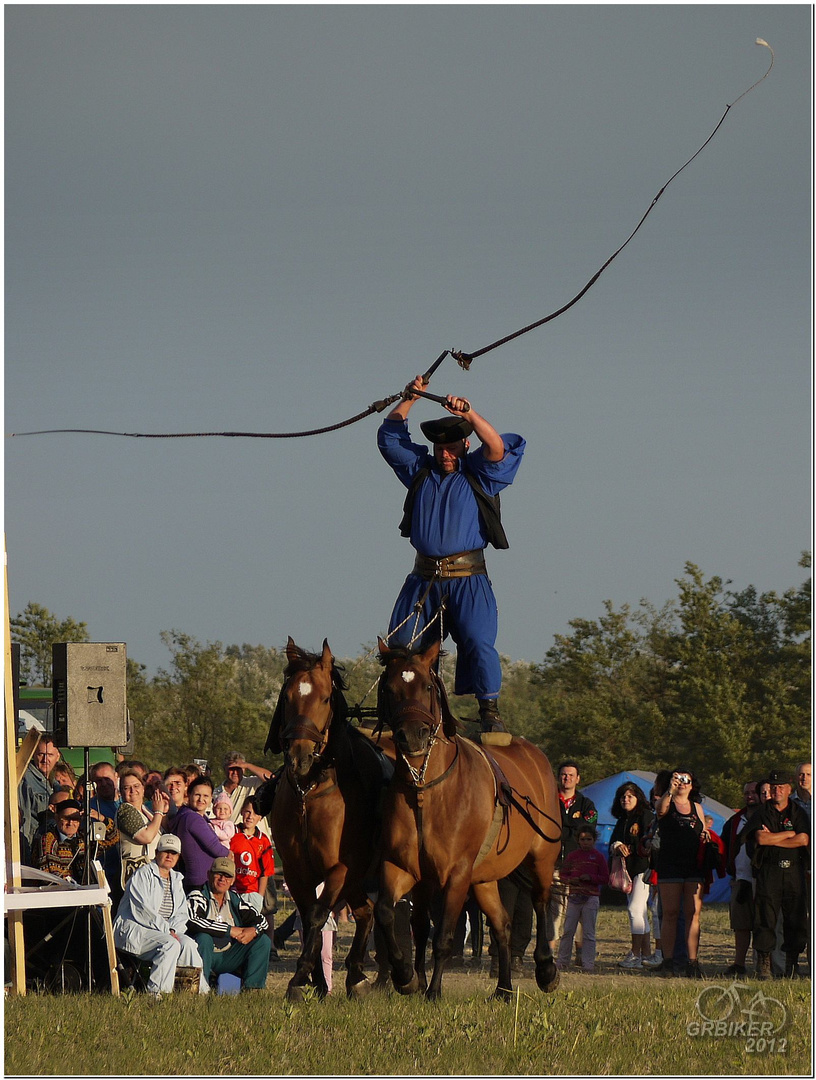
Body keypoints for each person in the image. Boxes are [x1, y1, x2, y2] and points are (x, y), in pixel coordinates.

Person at [377, 375, 525, 734]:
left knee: (477, 642)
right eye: (440, 448)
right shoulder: (419, 471)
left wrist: (470, 412)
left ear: (464, 444)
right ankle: (397, 709)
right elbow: (389, 437)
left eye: (452, 447)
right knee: (400, 645)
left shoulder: (479, 474)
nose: (445, 454)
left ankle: (489, 712)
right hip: (422, 581)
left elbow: (498, 449)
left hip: (468, 580)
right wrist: (411, 397)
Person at [113, 833, 208, 1000]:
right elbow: (142, 911)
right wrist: (167, 931)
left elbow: (181, 914)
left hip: (164, 932)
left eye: (173, 853)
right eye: (165, 851)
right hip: (134, 929)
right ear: (157, 852)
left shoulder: (177, 880)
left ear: (178, 857)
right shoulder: (142, 875)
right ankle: (157, 994)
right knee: (170, 944)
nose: (169, 856)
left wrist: (173, 930)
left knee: (188, 945)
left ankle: (195, 993)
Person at [742, 768, 810, 979]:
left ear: (789, 789)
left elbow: (804, 840)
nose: (777, 790)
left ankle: (792, 964)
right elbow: (761, 839)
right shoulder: (762, 812)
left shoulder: (797, 812)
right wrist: (789, 834)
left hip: (793, 871)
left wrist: (777, 836)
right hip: (769, 870)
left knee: (795, 918)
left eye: (781, 786)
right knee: (766, 918)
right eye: (773, 787)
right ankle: (764, 965)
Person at [650, 769, 707, 978]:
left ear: (692, 785)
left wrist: (706, 838)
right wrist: (670, 790)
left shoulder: (697, 808)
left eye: (686, 780)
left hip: (693, 866)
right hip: (670, 865)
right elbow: (660, 810)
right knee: (671, 913)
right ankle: (668, 961)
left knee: (693, 915)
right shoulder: (666, 803)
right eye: (678, 779)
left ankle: (692, 962)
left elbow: (703, 830)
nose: (682, 783)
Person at [187, 857, 271, 991]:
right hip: (205, 953)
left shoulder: (235, 899)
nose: (222, 879)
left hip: (229, 955)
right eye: (218, 874)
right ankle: (200, 988)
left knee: (263, 941)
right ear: (209, 875)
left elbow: (262, 921)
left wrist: (253, 930)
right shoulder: (197, 896)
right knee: (204, 938)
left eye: (227, 876)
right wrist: (229, 930)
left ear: (232, 880)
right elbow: (193, 920)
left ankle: (253, 990)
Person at [550, 761, 598, 959]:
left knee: (578, 909)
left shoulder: (586, 804)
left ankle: (579, 951)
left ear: (578, 779)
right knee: (554, 909)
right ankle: (550, 949)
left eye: (571, 775)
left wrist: (564, 824)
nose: (566, 778)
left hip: (579, 866)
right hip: (554, 863)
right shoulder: (550, 800)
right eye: (563, 774)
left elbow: (588, 827)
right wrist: (573, 826)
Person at [609, 781, 655, 969]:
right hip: (628, 871)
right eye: (622, 797)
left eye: (629, 796)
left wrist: (632, 848)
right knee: (639, 912)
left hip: (643, 870)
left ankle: (635, 955)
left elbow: (649, 842)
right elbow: (613, 843)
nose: (625, 800)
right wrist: (617, 846)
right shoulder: (622, 819)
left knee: (635, 910)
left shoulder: (645, 816)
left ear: (638, 798)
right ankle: (647, 954)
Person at [555, 826, 609, 973]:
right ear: (578, 840)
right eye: (582, 839)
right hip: (574, 897)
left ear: (594, 840)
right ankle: (562, 961)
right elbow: (563, 874)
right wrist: (571, 880)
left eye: (588, 839)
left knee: (589, 933)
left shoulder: (598, 857)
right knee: (568, 931)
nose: (585, 842)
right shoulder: (572, 856)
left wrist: (591, 878)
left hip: (591, 897)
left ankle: (588, 963)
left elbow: (605, 878)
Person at [721, 779, 761, 976]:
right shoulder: (735, 821)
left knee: (764, 923)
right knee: (741, 924)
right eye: (747, 793)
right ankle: (739, 963)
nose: (750, 796)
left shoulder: (767, 817)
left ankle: (763, 963)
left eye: (754, 792)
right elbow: (725, 845)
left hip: (764, 879)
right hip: (741, 878)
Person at [165, 775, 229, 892]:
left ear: (211, 799)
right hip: (199, 882)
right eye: (197, 795)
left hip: (199, 880)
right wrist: (229, 853)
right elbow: (214, 847)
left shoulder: (195, 816)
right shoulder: (192, 818)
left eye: (205, 796)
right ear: (189, 795)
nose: (201, 799)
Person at [35, 798, 118, 882]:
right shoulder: (48, 839)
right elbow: (50, 873)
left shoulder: (83, 837)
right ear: (56, 818)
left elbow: (112, 838)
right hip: (62, 891)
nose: (70, 822)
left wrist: (101, 818)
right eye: (66, 818)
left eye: (75, 818)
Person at [117, 768, 171, 887]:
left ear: (143, 788)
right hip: (138, 875)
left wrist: (164, 811)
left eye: (136, 786)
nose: (132, 790)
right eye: (126, 788)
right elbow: (146, 837)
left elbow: (162, 830)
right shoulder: (125, 811)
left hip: (154, 872)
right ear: (121, 792)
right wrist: (158, 812)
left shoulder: (146, 809)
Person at [19, 735, 61, 862]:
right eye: (41, 754)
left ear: (57, 756)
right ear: (33, 755)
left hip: (49, 849)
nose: (45, 759)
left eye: (50, 755)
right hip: (32, 849)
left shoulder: (54, 784)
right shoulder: (25, 780)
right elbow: (23, 820)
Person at [229, 797, 274, 914]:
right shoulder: (231, 833)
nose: (250, 816)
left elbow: (265, 873)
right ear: (241, 811)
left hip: (252, 892)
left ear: (260, 817)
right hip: (232, 891)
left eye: (255, 813)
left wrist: (259, 896)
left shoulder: (263, 840)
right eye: (248, 811)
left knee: (252, 926)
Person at [212, 752, 273, 828]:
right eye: (231, 769)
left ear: (244, 770)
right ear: (225, 769)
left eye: (238, 769)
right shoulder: (216, 793)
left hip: (257, 837)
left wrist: (248, 765)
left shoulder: (252, 783)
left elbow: (272, 778)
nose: (235, 772)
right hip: (231, 837)